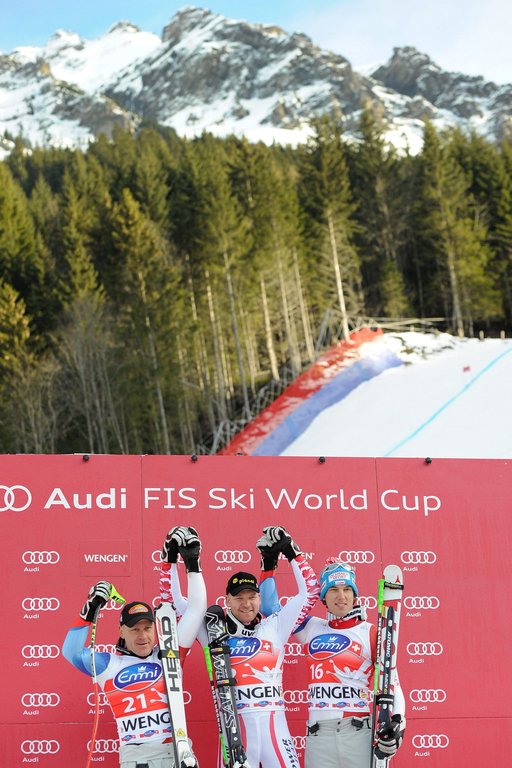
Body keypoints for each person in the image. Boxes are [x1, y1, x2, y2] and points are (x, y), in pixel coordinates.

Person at [170, 525, 320, 768]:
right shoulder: (212, 630)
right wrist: (172, 560)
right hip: (235, 738)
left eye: (252, 597)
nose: (246, 604)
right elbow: (174, 603)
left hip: (276, 733)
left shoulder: (275, 626)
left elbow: (310, 591)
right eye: (239, 598)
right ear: (227, 600)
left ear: (259, 598)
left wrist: (291, 551)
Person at [62, 526, 207, 768]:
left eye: (147, 628)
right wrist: (88, 611)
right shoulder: (110, 665)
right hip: (137, 759)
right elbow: (71, 653)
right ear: (121, 631)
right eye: (134, 629)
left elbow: (196, 609)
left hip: (179, 754)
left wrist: (192, 562)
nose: (142, 636)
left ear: (155, 628)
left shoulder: (169, 653)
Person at [261, 558, 406, 768]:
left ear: (355, 595)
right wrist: (268, 566)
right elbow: (270, 608)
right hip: (319, 738)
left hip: (358, 735)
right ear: (323, 597)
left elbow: (393, 682)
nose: (341, 596)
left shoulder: (370, 632)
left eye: (347, 589)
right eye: (333, 590)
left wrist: (398, 722)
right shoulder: (311, 628)